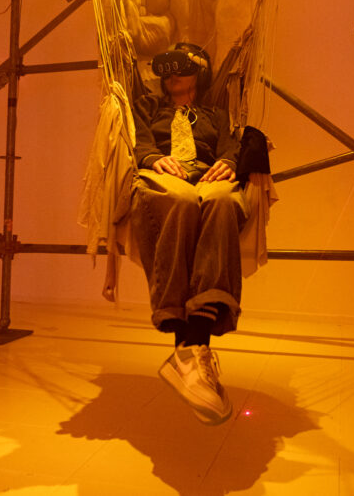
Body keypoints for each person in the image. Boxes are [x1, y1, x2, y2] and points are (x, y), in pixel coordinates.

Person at [129, 42, 248, 425]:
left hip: (207, 173)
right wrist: (152, 158)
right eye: (169, 67)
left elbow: (231, 145)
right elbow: (137, 140)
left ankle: (190, 351)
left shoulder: (216, 114)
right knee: (181, 202)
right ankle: (190, 343)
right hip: (163, 173)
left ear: (201, 73)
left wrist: (228, 161)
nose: (174, 74)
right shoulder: (148, 107)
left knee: (223, 202)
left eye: (184, 65)